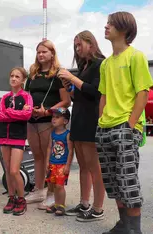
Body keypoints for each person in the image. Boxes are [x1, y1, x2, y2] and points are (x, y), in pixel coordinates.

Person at [96, 11, 153, 234]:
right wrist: (101, 122)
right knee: (113, 181)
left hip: (125, 127)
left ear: (124, 29)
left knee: (127, 181)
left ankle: (134, 230)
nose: (106, 26)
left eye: (110, 24)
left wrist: (130, 125)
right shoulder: (106, 64)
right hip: (106, 127)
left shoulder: (136, 57)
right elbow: (104, 95)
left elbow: (143, 93)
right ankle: (123, 225)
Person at [58, 30, 106, 222]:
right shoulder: (84, 66)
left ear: (91, 44)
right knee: (84, 166)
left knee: (94, 167)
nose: (77, 49)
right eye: (75, 46)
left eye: (80, 45)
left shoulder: (100, 64)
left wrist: (73, 78)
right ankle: (84, 203)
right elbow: (77, 96)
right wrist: (69, 86)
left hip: (91, 119)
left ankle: (98, 208)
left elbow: (95, 92)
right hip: (78, 117)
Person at [24, 40, 70, 209]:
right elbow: (27, 95)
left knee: (49, 157)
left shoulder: (58, 74)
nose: (41, 55)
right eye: (38, 52)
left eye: (44, 52)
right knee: (37, 156)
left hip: (48, 120)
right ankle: (38, 189)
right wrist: (27, 107)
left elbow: (66, 101)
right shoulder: (33, 73)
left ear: (52, 53)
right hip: (32, 120)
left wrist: (49, 110)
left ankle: (51, 194)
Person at [0, 67, 33, 216]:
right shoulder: (4, 97)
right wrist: (16, 113)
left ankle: (21, 199)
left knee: (14, 170)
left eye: (17, 76)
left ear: (23, 80)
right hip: (3, 137)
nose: (13, 79)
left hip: (17, 137)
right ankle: (11, 198)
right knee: (8, 171)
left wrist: (9, 112)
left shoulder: (26, 97)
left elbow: (27, 115)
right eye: (12, 76)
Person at [44, 107, 74, 216]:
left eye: (57, 117)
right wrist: (47, 162)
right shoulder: (52, 133)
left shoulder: (67, 134)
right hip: (52, 163)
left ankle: (61, 205)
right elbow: (49, 148)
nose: (54, 119)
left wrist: (68, 165)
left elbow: (71, 151)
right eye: (53, 117)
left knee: (60, 186)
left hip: (62, 164)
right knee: (52, 184)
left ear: (65, 121)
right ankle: (56, 204)